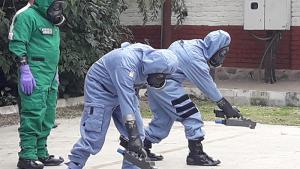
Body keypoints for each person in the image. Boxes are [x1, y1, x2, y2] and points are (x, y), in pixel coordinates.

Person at [66, 42, 178, 169]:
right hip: (101, 88)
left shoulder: (153, 60)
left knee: (139, 134)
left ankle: (131, 167)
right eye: (159, 77)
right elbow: (126, 102)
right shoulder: (126, 65)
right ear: (154, 70)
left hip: (126, 90)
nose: (161, 80)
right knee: (94, 135)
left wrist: (135, 136)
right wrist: (132, 134)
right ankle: (74, 164)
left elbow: (130, 96)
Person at [143, 30, 241, 166]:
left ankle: (142, 147)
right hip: (166, 86)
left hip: (156, 84)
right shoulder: (195, 59)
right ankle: (196, 154)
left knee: (163, 120)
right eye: (223, 53)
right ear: (218, 49)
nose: (223, 57)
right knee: (191, 116)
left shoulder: (193, 45)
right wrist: (226, 106)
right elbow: (207, 85)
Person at [8, 0, 66, 169]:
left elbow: (51, 47)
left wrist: (55, 72)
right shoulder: (26, 16)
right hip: (34, 73)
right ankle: (26, 156)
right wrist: (24, 69)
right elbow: (17, 43)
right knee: (33, 113)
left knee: (48, 115)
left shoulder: (51, 19)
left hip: (50, 73)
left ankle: (41, 152)